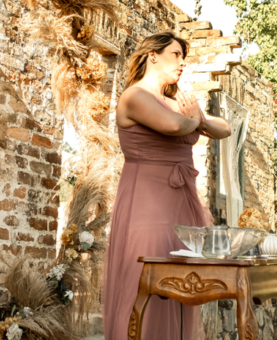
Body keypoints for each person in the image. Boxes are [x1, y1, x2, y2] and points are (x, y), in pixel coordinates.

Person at [102, 31, 231, 340]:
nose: (182, 62)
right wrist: (195, 120)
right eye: (176, 54)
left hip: (179, 203)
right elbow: (174, 126)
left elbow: (224, 128)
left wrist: (196, 118)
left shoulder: (174, 102)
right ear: (153, 56)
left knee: (181, 282)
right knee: (148, 279)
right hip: (147, 201)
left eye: (183, 56)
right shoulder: (135, 96)